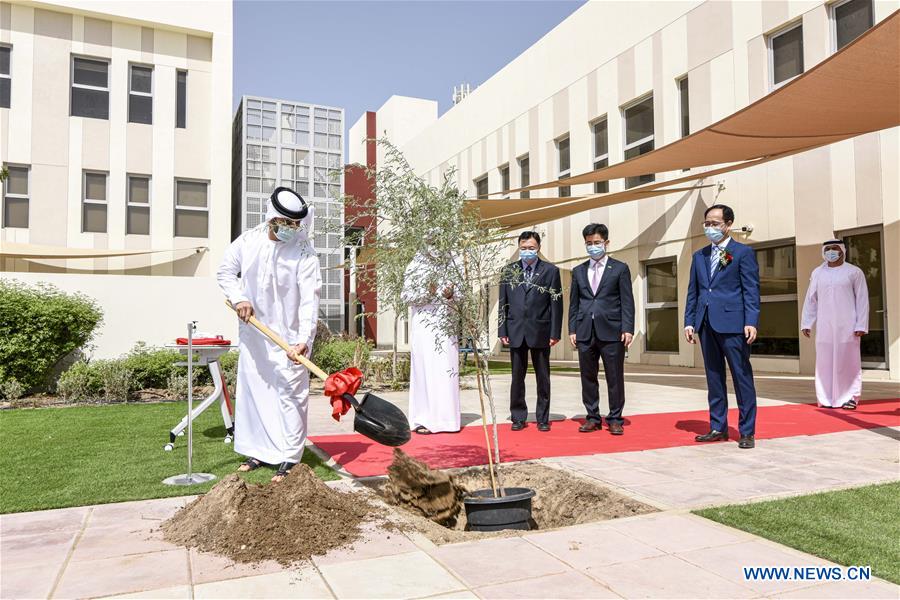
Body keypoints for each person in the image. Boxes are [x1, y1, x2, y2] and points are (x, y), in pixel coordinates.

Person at [216, 187, 322, 482]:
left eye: (295, 224)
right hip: (255, 335)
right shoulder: (249, 240)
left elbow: (308, 302)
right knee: (255, 391)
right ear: (271, 218)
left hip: (289, 340)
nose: (290, 229)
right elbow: (225, 271)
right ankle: (259, 451)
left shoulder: (304, 253)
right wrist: (239, 298)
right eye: (285, 223)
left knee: (290, 393)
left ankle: (289, 457)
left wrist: (304, 339)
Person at [684, 204, 760, 449]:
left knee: (741, 376)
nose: (711, 227)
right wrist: (689, 321)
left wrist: (751, 321)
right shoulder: (699, 256)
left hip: (734, 324)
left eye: (715, 223)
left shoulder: (742, 253)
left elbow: (751, 290)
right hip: (706, 324)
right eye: (707, 223)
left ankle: (746, 431)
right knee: (714, 377)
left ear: (728, 225)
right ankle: (717, 426)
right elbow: (693, 292)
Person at [568, 223, 635, 435]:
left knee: (614, 376)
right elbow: (574, 303)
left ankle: (615, 418)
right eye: (589, 243)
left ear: (606, 243)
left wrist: (628, 328)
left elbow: (627, 301)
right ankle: (593, 417)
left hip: (612, 330)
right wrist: (572, 329)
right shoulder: (578, 271)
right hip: (585, 330)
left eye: (597, 243)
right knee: (588, 376)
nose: (593, 247)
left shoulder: (620, 268)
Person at [498, 231, 563, 432]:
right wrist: (502, 329)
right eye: (524, 248)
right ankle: (518, 416)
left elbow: (556, 304)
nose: (527, 251)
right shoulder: (508, 271)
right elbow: (503, 303)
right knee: (517, 377)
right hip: (516, 330)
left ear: (539, 248)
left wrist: (555, 332)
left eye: (531, 248)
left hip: (541, 331)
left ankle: (543, 417)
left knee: (543, 377)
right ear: (519, 248)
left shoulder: (550, 271)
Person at [801, 240, 869, 410]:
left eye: (835, 249)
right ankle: (825, 398)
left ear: (842, 251)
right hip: (825, 325)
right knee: (824, 361)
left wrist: (861, 325)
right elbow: (811, 299)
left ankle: (851, 397)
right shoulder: (817, 272)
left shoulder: (854, 272)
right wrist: (807, 322)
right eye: (828, 249)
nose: (831, 252)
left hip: (848, 326)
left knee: (849, 361)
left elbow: (862, 299)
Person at [401, 247, 461, 434]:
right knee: (425, 370)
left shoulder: (452, 264)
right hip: (424, 328)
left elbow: (462, 295)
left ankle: (447, 419)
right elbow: (406, 296)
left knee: (445, 369)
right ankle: (424, 418)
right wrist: (428, 292)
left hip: (445, 327)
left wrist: (450, 295)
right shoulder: (415, 265)